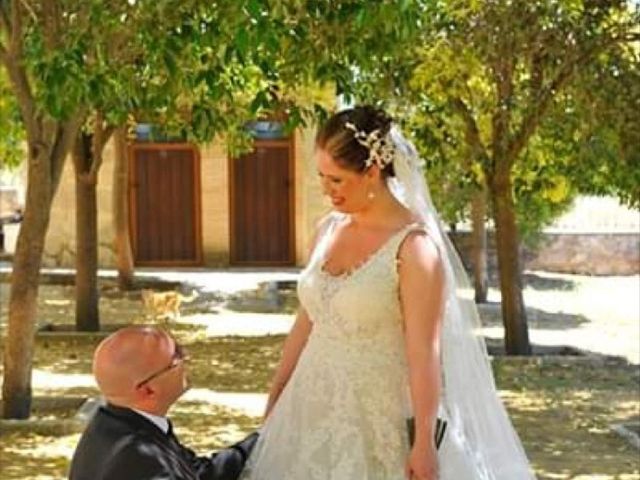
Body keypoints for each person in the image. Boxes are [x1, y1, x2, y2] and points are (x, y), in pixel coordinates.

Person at [240, 106, 536, 479]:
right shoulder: (327, 230)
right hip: (306, 410)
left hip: (376, 420)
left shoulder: (414, 249)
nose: (326, 190)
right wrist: (275, 401)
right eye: (321, 177)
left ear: (372, 172)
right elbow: (306, 323)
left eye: (337, 180)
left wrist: (424, 441)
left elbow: (424, 352)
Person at [69, 326, 258, 480]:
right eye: (175, 359)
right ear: (148, 390)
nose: (186, 358)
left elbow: (198, 472)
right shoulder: (145, 461)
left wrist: (258, 441)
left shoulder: (111, 425)